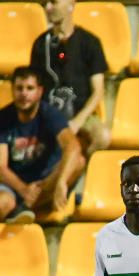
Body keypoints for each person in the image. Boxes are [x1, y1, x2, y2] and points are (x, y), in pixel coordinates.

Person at [0, 66, 83, 224]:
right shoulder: (3, 119)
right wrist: (23, 189)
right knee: (2, 203)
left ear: (39, 91)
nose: (24, 93)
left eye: (29, 88)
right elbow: (1, 167)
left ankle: (24, 209)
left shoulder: (50, 115)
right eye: (19, 88)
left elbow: (73, 146)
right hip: (14, 185)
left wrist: (61, 181)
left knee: (78, 162)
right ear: (12, 90)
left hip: (44, 184)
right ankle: (20, 210)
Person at [30, 0, 111, 155]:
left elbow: (98, 91)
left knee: (102, 136)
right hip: (50, 114)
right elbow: (34, 87)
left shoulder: (89, 43)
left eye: (53, 3)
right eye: (45, 3)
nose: (47, 8)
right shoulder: (40, 44)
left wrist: (77, 122)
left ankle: (77, 171)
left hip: (81, 115)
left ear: (70, 5)